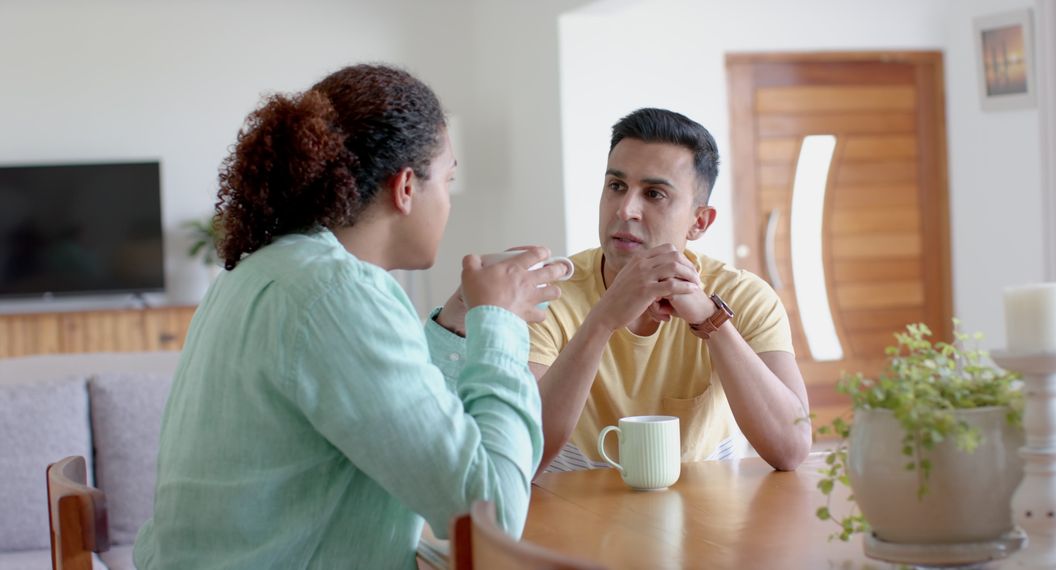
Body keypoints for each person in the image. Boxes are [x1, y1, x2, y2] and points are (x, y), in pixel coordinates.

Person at [133, 64, 565, 569]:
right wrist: (501, 324)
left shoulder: (267, 268)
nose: (447, 199)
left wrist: (457, 324)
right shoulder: (337, 295)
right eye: (447, 179)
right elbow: (491, 512)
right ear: (406, 187)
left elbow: (388, 415)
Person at [529, 108, 811, 472]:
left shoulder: (744, 297)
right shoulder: (546, 294)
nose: (626, 209)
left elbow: (790, 449)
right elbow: (524, 455)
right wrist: (602, 320)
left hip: (709, 517)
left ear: (699, 221)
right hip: (574, 509)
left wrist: (712, 322)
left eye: (654, 194)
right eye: (616, 187)